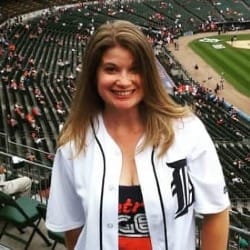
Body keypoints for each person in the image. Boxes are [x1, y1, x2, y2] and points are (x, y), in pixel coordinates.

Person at [46, 20, 230, 250]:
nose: (124, 81)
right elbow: (73, 229)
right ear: (94, 74)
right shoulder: (74, 141)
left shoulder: (188, 130)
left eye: (135, 69)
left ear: (149, 73)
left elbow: (216, 212)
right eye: (111, 69)